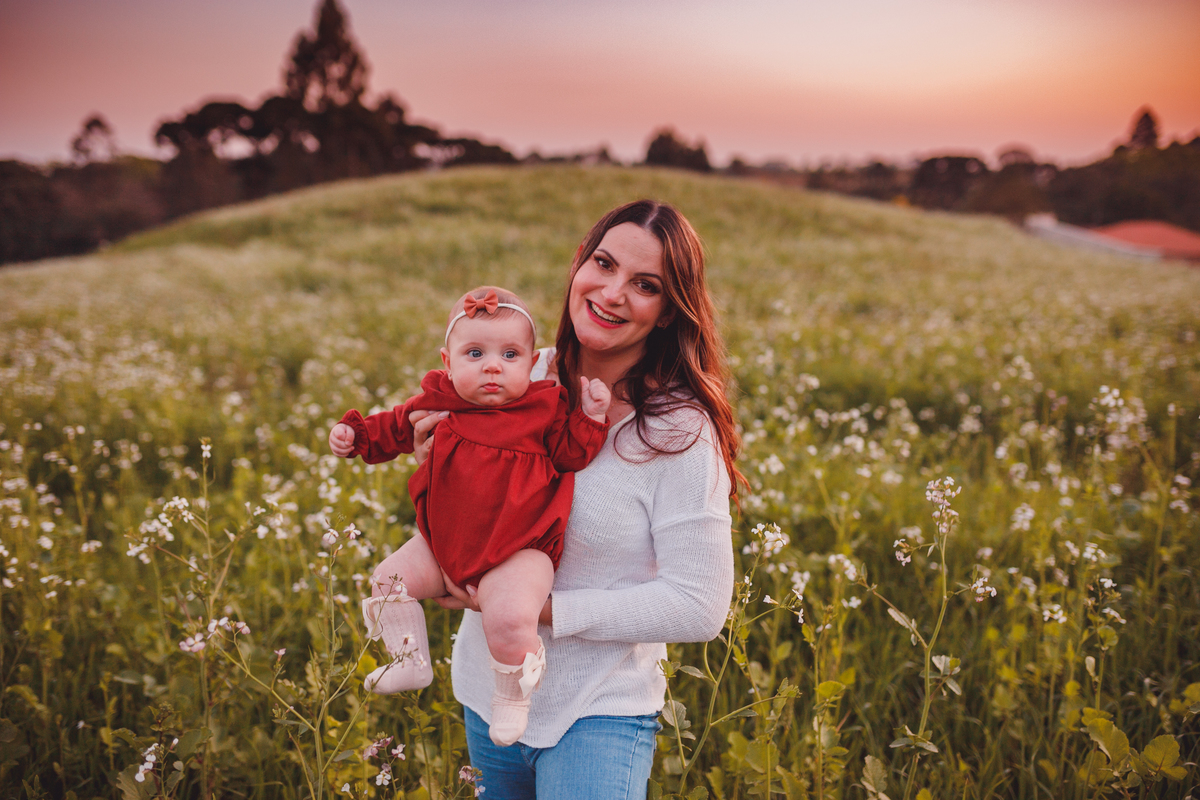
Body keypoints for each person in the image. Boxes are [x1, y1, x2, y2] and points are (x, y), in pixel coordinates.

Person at [410, 200, 743, 799]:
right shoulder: (511, 377)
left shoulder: (679, 433)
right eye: (603, 264)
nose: (613, 293)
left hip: (600, 710)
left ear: (669, 312)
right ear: (577, 267)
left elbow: (700, 605)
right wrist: (436, 465)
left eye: (645, 285)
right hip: (489, 696)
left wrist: (535, 611)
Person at [329, 286, 612, 746]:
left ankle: (511, 698)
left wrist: (592, 416)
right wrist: (354, 435)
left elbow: (569, 454)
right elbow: (396, 426)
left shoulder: (545, 405)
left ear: (531, 362)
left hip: (519, 548)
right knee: (387, 583)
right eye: (475, 353)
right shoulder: (441, 399)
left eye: (510, 354)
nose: (493, 366)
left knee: (508, 616)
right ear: (447, 361)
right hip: (443, 544)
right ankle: (408, 661)